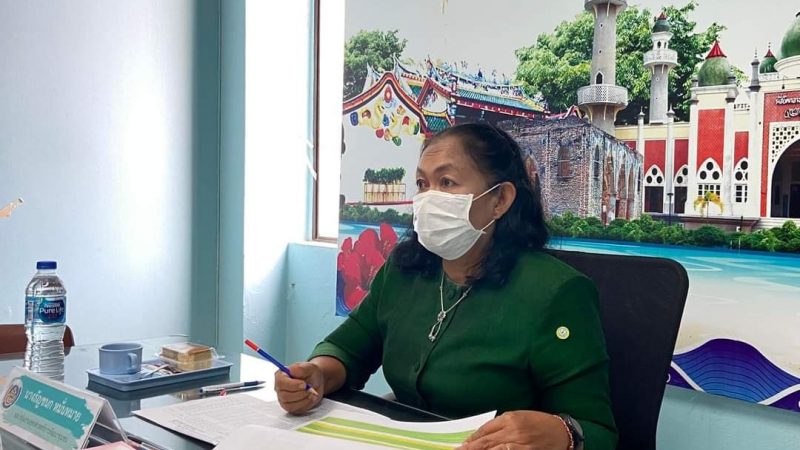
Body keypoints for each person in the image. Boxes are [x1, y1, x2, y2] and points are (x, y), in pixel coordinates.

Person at [275, 122, 617, 450]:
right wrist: (317, 374)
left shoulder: (556, 292)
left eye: (447, 182)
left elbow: (598, 433)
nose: (429, 198)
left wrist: (563, 433)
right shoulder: (404, 269)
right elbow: (348, 349)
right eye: (422, 184)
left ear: (500, 200)